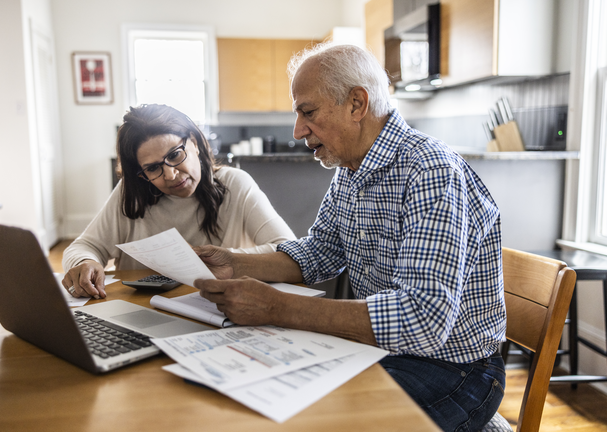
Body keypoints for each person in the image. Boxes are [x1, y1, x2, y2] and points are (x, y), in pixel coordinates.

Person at [193, 43, 506, 432]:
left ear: (357, 104)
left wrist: (278, 308)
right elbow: (320, 252)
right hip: (382, 351)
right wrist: (234, 263)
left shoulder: (431, 172)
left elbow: (424, 320)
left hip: (457, 370)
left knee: (311, 420)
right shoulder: (351, 169)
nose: (297, 131)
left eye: (308, 112)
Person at [61, 104, 295, 299]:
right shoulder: (131, 193)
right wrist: (84, 262)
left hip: (215, 308)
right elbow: (84, 247)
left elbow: (289, 251)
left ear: (194, 142)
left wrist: (228, 258)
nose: (171, 175)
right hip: (141, 312)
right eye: (153, 168)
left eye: (175, 155)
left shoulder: (235, 184)